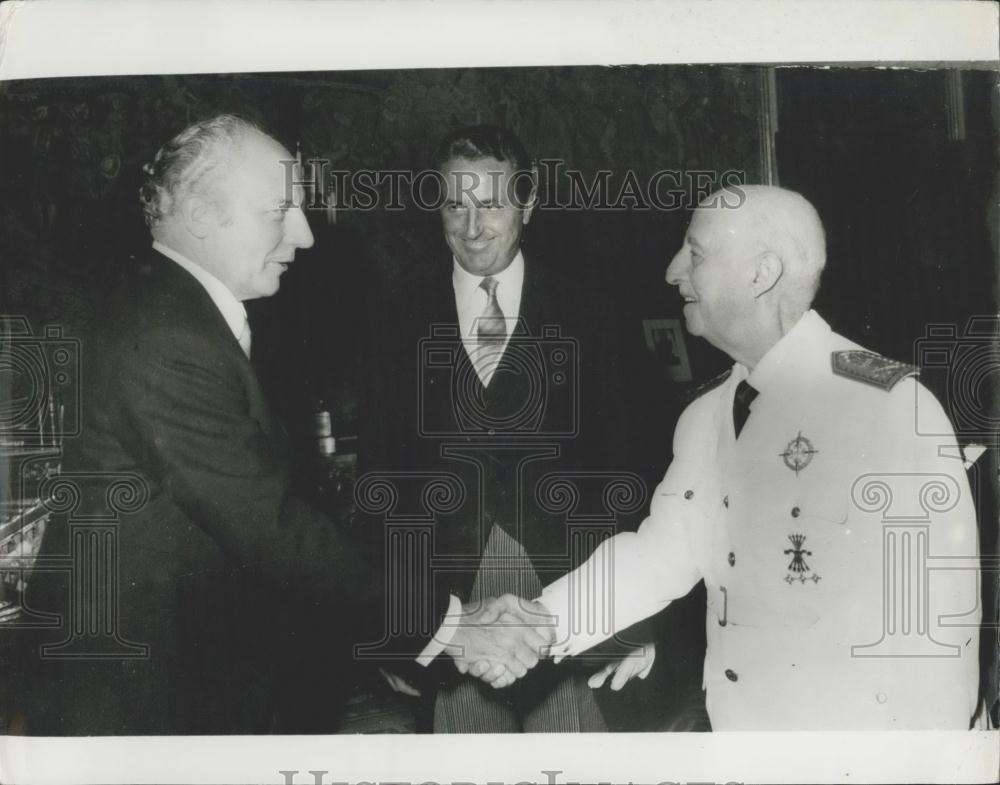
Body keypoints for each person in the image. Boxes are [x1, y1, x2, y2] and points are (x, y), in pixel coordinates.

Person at [475, 185, 982, 730]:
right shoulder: (707, 414)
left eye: (695, 253)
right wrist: (543, 619)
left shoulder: (886, 407)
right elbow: (659, 555)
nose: (672, 271)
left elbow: (936, 634)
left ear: (761, 274)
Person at [11, 115, 369, 734]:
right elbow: (270, 526)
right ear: (202, 217)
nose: (306, 236)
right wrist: (450, 625)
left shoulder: (171, 308)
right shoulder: (168, 336)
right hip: (134, 703)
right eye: (279, 211)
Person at [360, 125, 650, 732]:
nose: (471, 227)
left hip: (572, 596)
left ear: (526, 204)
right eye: (454, 206)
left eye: (489, 204)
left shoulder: (592, 312)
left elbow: (630, 474)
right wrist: (401, 633)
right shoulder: (395, 320)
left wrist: (633, 621)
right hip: (455, 606)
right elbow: (382, 488)